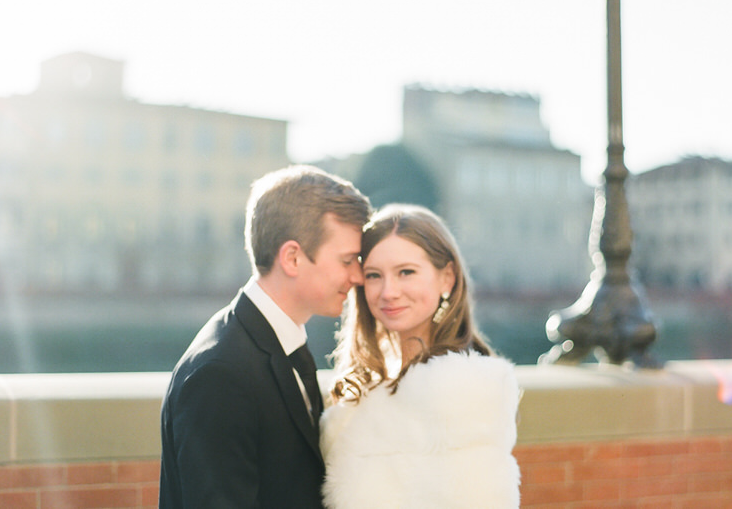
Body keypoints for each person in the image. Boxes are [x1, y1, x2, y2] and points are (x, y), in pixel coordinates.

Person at [159, 165, 371, 509]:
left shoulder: (280, 345)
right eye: (348, 260)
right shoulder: (219, 374)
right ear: (292, 258)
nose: (358, 276)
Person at [320, 204, 521, 508]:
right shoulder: (366, 388)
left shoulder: (466, 390)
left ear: (447, 278)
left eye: (406, 272)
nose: (388, 292)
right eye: (374, 275)